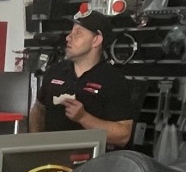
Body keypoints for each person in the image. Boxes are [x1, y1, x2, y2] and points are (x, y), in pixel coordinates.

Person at [31, 8, 141, 148]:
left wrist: (83, 118)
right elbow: (38, 110)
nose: (68, 37)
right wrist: (36, 145)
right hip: (53, 158)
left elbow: (123, 135)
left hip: (93, 160)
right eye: (71, 32)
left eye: (78, 33)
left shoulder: (113, 80)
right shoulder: (54, 72)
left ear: (96, 40)